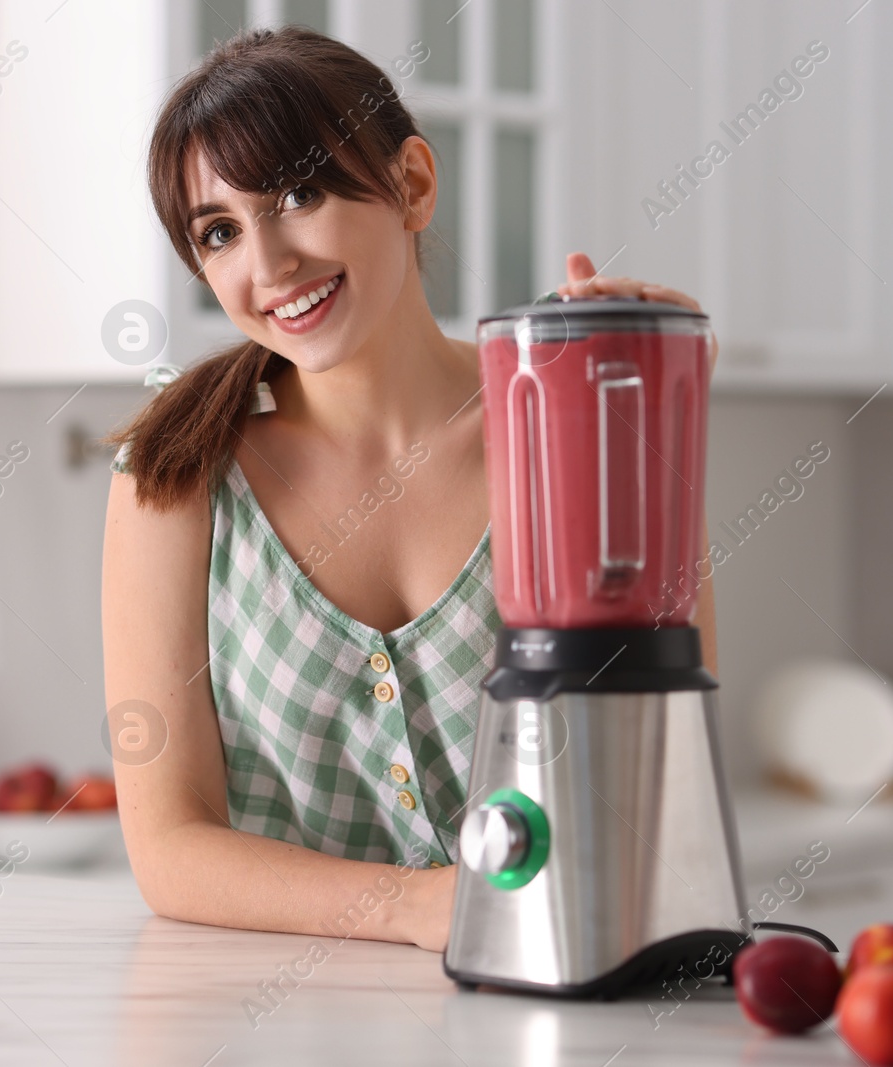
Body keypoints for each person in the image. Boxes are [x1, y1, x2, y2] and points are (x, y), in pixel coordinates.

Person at [102, 26, 718, 953]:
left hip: (551, 995)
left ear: (413, 185)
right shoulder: (175, 476)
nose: (267, 267)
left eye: (299, 194)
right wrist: (420, 906)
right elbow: (169, 846)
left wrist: (640, 427)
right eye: (220, 232)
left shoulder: (569, 433)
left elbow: (665, 780)